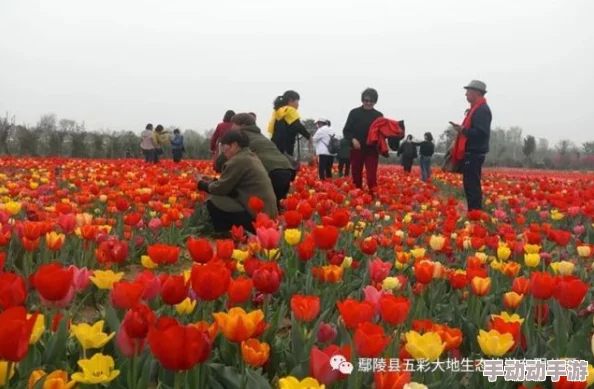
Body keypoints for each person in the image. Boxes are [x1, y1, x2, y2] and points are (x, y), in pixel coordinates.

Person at [196, 130, 278, 234]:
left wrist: (201, 184)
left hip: (256, 220)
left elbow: (221, 189)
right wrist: (212, 180)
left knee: (214, 199)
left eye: (224, 147)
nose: (223, 152)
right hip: (267, 217)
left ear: (234, 145)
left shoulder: (237, 160)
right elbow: (231, 184)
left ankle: (224, 232)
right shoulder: (250, 157)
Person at [216, 113, 296, 210]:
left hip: (270, 173)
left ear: (242, 125)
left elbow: (221, 161)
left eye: (234, 124)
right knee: (274, 209)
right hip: (287, 172)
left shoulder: (241, 137)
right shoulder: (261, 136)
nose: (231, 127)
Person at [450, 80, 492, 211]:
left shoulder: (482, 110)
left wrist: (463, 130)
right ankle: (474, 212)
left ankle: (475, 214)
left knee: (472, 186)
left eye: (468, 91)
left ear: (477, 93)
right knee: (470, 185)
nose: (466, 94)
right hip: (471, 153)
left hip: (475, 153)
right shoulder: (476, 109)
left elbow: (481, 133)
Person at [343, 88, 384, 190]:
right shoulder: (354, 113)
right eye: (366, 100)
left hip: (372, 150)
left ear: (375, 101)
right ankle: (358, 196)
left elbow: (382, 133)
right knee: (356, 176)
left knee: (371, 177)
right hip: (357, 149)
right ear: (362, 100)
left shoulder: (378, 116)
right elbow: (346, 131)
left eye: (371, 101)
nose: (368, 103)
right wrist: (352, 139)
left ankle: (372, 195)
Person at [268, 90, 313, 157]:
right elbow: (298, 126)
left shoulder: (277, 111)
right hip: (287, 146)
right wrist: (309, 136)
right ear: (290, 100)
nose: (298, 104)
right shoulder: (290, 110)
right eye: (297, 101)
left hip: (275, 145)